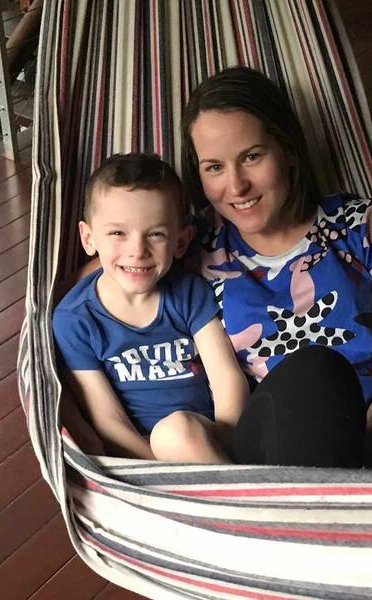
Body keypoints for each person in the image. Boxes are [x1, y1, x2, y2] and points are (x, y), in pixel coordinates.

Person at [182, 66, 372, 472]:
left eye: (252, 157)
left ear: (289, 150)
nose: (236, 186)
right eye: (214, 168)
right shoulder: (193, 245)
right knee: (314, 371)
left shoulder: (365, 225)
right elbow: (122, 254)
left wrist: (353, 448)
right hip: (272, 449)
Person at [52, 153, 248, 463]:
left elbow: (226, 376)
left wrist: (228, 438)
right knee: (170, 434)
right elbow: (107, 421)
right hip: (140, 455)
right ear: (89, 238)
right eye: (118, 233)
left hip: (208, 437)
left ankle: (237, 489)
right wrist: (159, 469)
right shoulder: (75, 319)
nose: (137, 251)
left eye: (155, 234)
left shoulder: (188, 293)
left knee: (176, 432)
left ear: (181, 242)